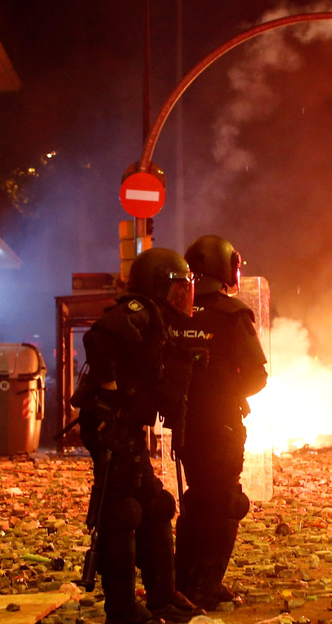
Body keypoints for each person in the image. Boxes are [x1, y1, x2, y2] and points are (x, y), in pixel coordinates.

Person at [73, 248, 204, 624]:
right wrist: (116, 393)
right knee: (121, 511)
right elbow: (97, 341)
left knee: (155, 505)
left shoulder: (157, 318)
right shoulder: (137, 310)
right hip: (109, 427)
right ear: (156, 286)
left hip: (126, 428)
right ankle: (122, 608)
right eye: (177, 290)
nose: (183, 298)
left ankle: (162, 596)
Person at [173, 236, 268, 610]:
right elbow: (258, 377)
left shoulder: (174, 313)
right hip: (223, 425)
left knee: (196, 500)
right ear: (226, 266)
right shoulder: (232, 315)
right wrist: (226, 392)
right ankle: (205, 586)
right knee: (226, 502)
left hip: (183, 425)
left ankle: (181, 583)